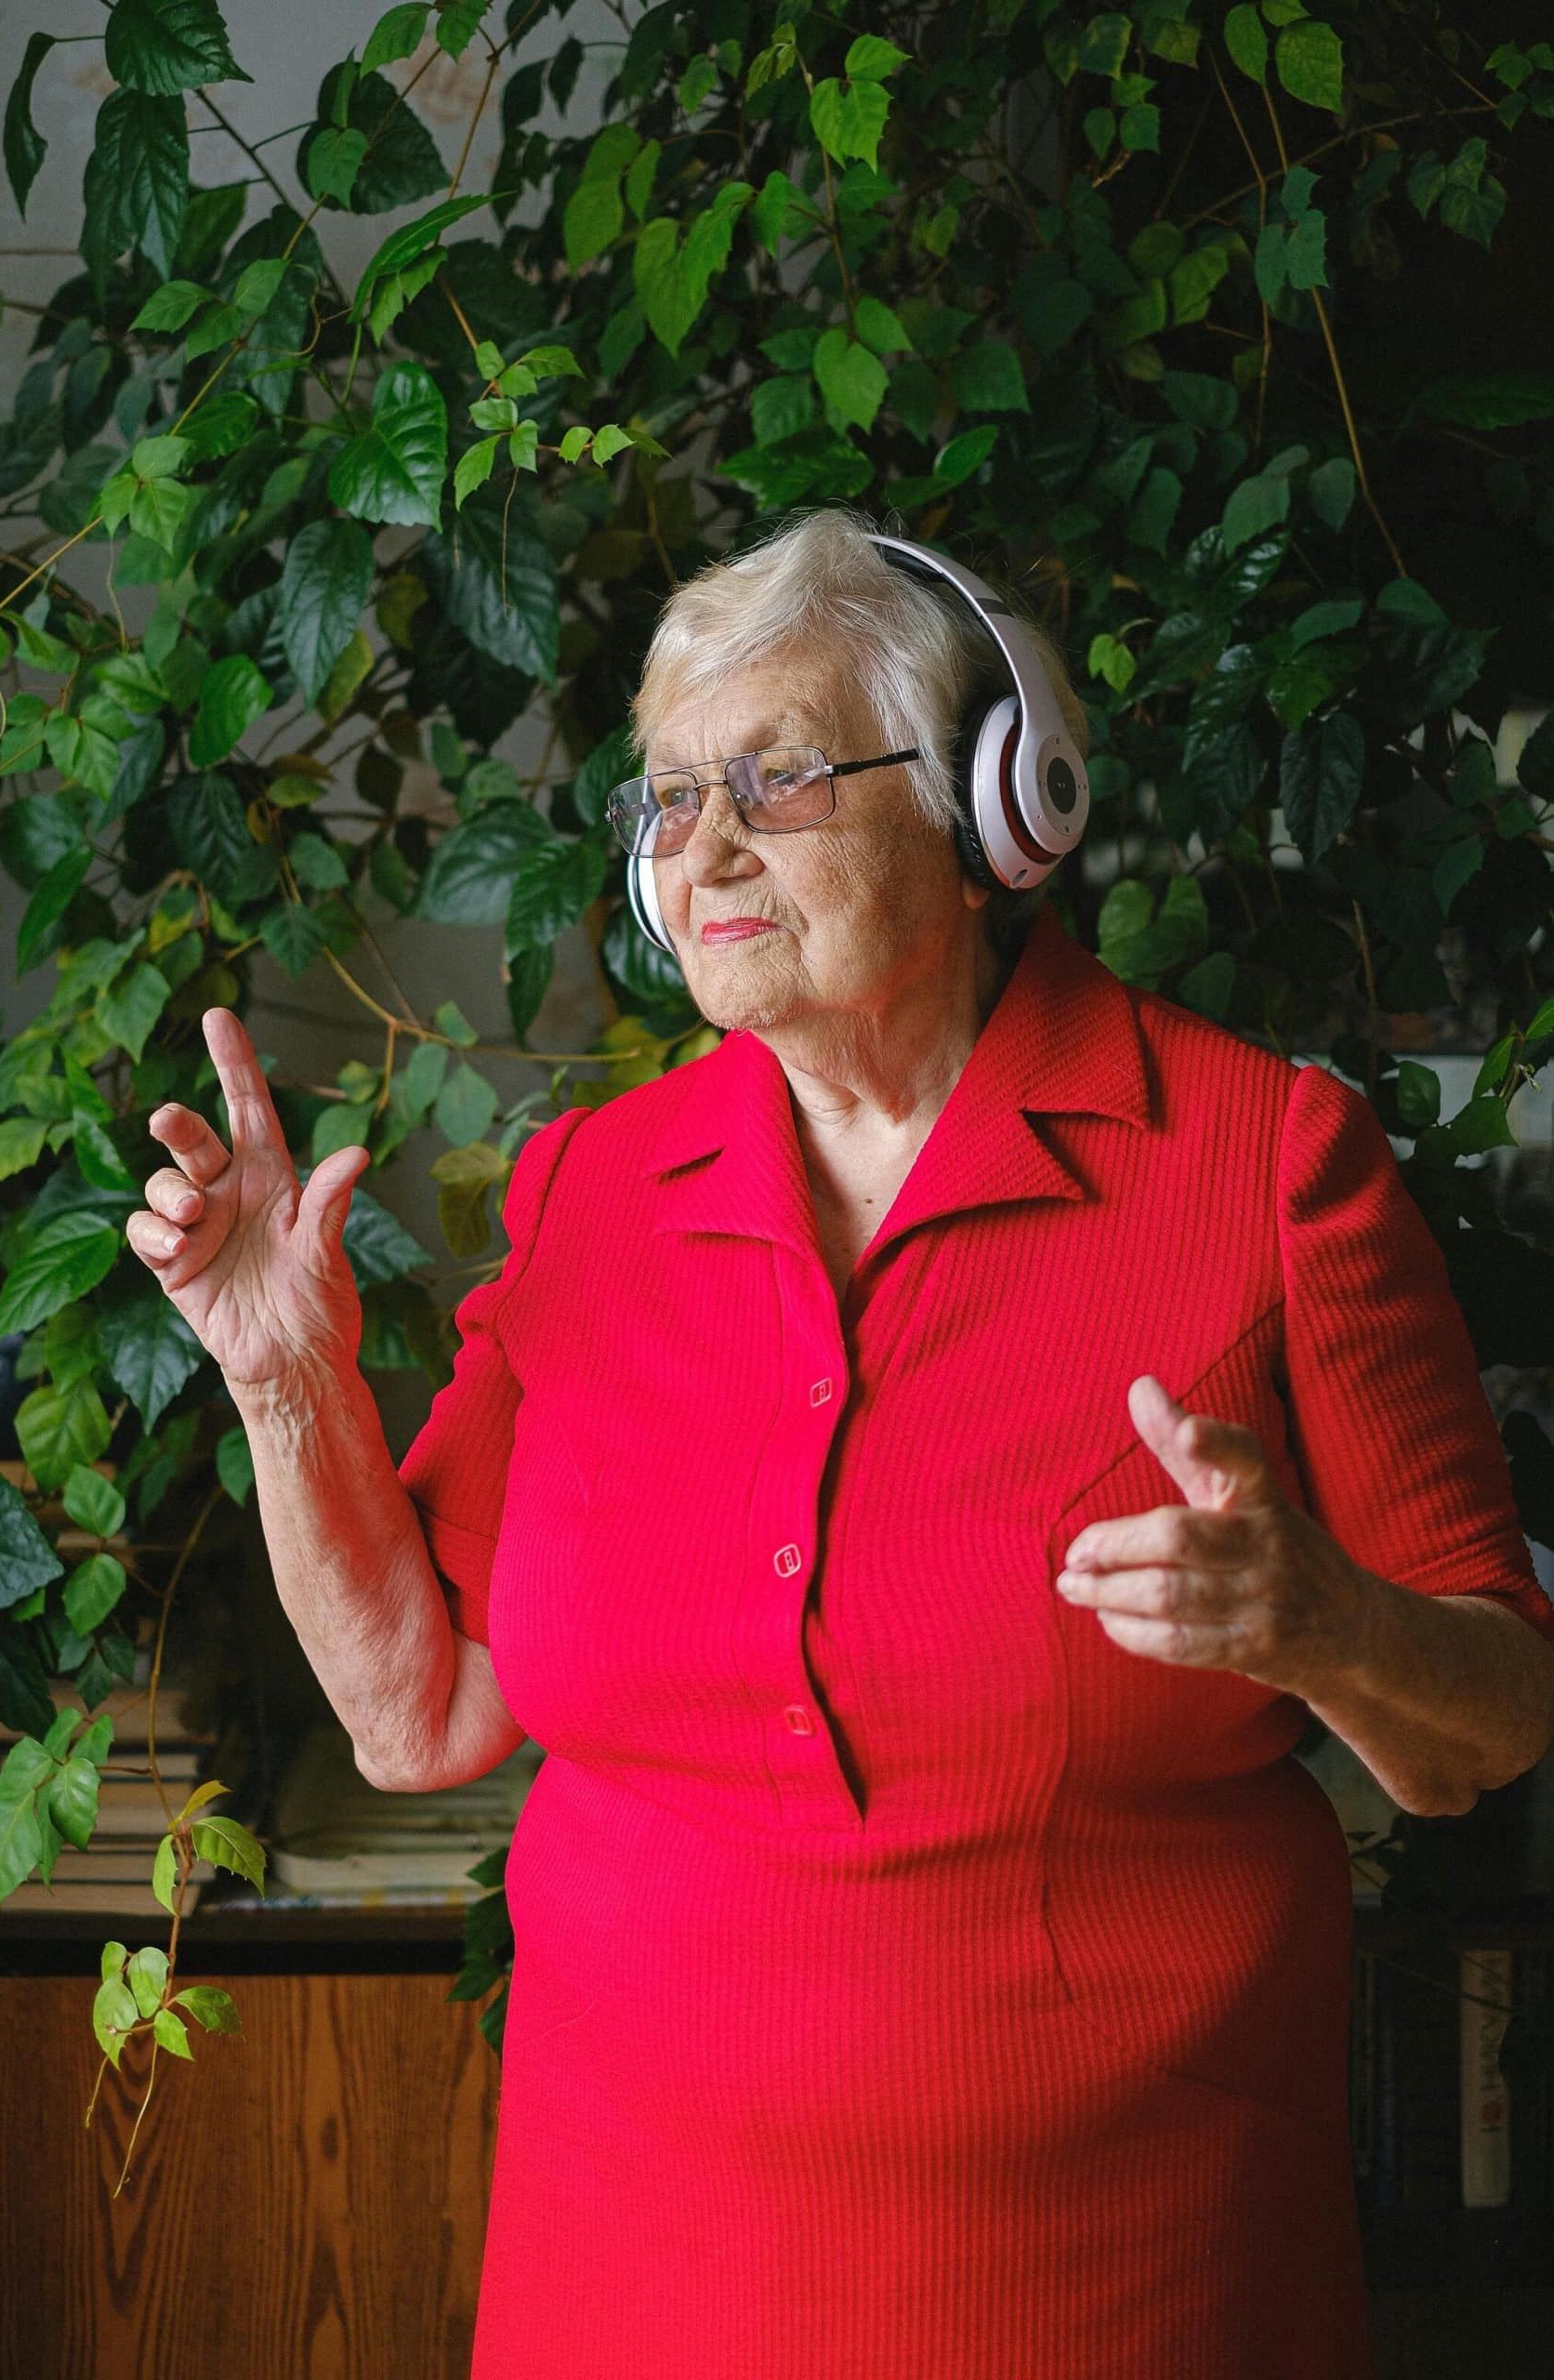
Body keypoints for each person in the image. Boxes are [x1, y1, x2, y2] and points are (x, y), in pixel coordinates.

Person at [125, 507, 1554, 2379]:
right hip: (620, 2278)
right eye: (662, 800)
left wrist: (1322, 1621)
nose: (700, 851)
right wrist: (283, 1381)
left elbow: (1486, 1724)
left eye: (775, 781)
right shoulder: (590, 1193)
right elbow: (419, 1712)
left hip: (1111, 2288)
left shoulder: (1256, 1165)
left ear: (987, 810)